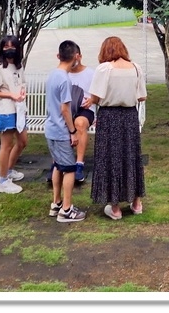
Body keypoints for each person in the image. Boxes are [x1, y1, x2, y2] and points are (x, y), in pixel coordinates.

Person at [86, 36, 147, 220]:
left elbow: (96, 95)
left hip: (109, 117)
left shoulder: (104, 69)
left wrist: (93, 100)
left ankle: (115, 208)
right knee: (131, 156)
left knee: (110, 158)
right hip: (129, 117)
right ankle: (136, 203)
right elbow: (142, 97)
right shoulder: (136, 68)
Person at [45, 40, 86, 222]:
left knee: (57, 166)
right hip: (61, 131)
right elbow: (65, 109)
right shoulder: (64, 79)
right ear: (76, 57)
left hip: (50, 129)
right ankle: (66, 210)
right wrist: (72, 131)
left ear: (58, 56)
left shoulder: (52, 74)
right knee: (69, 169)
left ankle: (56, 203)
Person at [0, 35, 27, 194]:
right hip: (6, 111)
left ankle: (9, 171)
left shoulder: (18, 66)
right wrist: (10, 95)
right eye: (5, 47)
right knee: (6, 145)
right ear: (2, 49)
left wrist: (22, 93)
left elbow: (22, 83)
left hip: (20, 110)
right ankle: (2, 181)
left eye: (12, 46)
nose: (9, 49)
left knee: (23, 142)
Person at [68, 44, 96, 182]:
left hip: (85, 109)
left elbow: (99, 95)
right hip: (67, 109)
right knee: (60, 123)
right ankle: (58, 164)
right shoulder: (63, 74)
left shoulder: (90, 73)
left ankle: (79, 164)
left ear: (79, 56)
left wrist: (92, 100)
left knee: (79, 123)